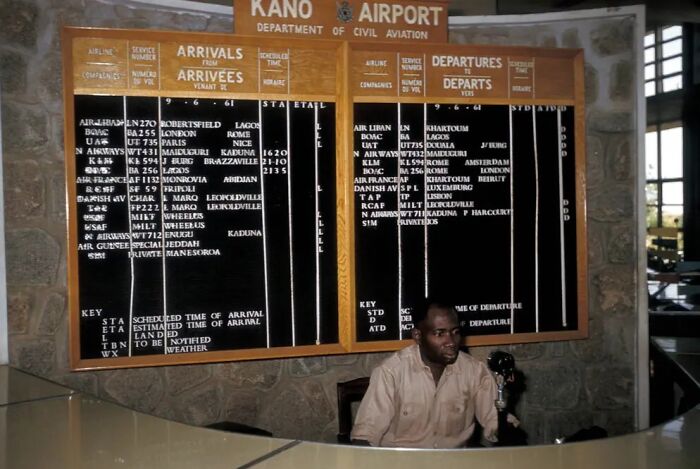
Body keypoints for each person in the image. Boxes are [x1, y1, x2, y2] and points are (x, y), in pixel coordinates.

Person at [350, 300, 499, 448]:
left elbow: (496, 421)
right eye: (439, 334)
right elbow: (365, 435)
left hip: (453, 463)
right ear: (417, 336)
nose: (451, 342)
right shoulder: (391, 372)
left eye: (455, 332)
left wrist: (505, 428)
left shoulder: (475, 371)